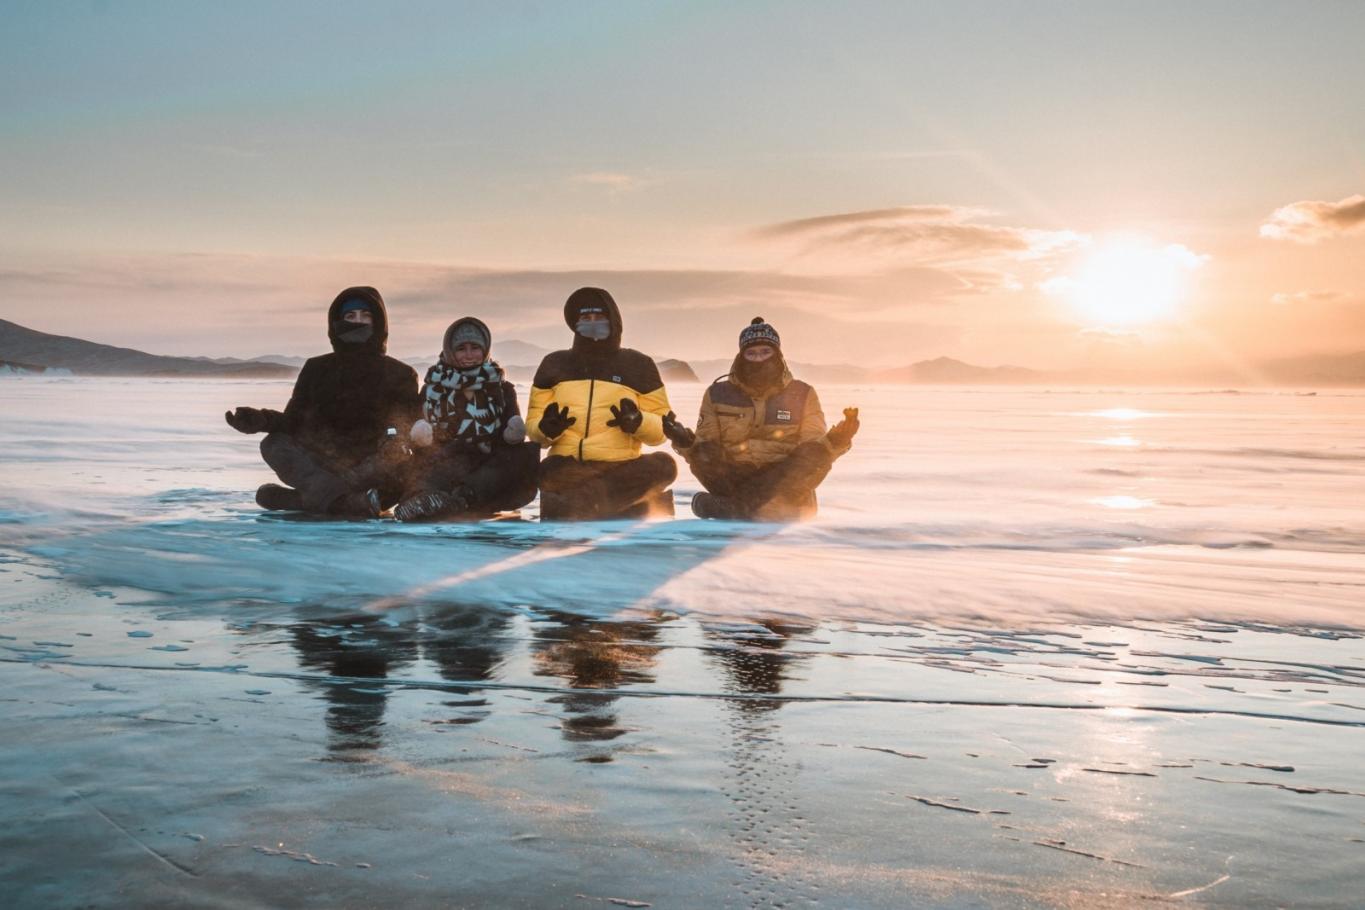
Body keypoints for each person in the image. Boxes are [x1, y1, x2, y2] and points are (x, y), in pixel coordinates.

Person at [224, 286, 420, 517]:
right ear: (336, 323)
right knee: (273, 444)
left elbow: (405, 432)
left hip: (373, 470)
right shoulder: (317, 369)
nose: (358, 322)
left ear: (379, 323)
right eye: (350, 316)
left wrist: (384, 454)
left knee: (398, 458)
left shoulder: (401, 374)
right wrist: (261, 420)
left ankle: (305, 500)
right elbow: (294, 422)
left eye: (366, 316)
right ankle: (345, 503)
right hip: (322, 464)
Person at [664, 316, 859, 520]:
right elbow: (705, 447)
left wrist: (838, 439)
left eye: (765, 352)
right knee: (706, 453)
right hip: (734, 477)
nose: (759, 359)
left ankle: (723, 508)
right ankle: (766, 510)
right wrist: (682, 440)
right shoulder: (717, 394)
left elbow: (813, 446)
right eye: (752, 353)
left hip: (785, 481)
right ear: (741, 356)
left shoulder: (802, 394)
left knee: (811, 454)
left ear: (778, 355)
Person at [527, 287, 677, 520]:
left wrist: (638, 422)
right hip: (569, 466)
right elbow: (535, 434)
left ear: (613, 320)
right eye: (586, 318)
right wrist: (547, 428)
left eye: (600, 317)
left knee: (665, 466)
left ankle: (587, 502)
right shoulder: (554, 364)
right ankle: (612, 503)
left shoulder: (638, 364)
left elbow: (661, 431)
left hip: (621, 466)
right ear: (575, 323)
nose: (593, 323)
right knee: (545, 470)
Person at [390, 317, 539, 521]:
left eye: (475, 348)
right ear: (451, 351)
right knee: (420, 466)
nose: (469, 355)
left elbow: (510, 438)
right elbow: (417, 431)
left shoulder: (502, 389)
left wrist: (512, 433)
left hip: (487, 466)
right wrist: (419, 434)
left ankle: (460, 500)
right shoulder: (432, 388)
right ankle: (422, 500)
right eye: (461, 348)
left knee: (522, 455)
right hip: (445, 460)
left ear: (485, 349)